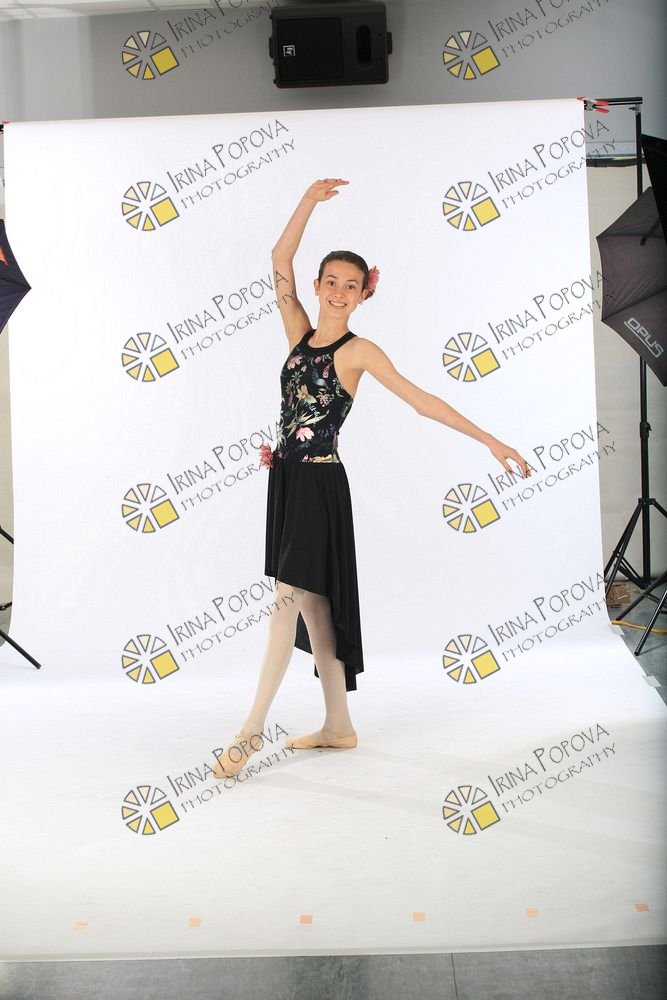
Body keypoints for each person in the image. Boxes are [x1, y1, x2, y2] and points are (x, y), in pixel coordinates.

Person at [212, 178, 530, 780]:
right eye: (330, 281)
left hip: (320, 487)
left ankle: (250, 731)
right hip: (288, 482)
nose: (338, 292)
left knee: (286, 601)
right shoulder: (298, 332)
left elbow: (421, 400)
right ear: (317, 286)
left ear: (364, 295)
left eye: (350, 286)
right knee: (315, 609)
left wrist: (489, 439)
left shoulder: (360, 352)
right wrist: (307, 201)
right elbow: (279, 259)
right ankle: (339, 727)